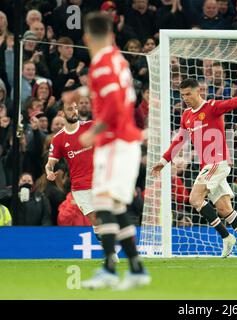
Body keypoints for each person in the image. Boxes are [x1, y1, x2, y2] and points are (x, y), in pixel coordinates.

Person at [63, 12, 150, 290]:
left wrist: (94, 132)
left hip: (113, 142)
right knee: (114, 205)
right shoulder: (117, 59)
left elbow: (112, 103)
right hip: (125, 141)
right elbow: (119, 93)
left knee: (102, 202)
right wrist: (82, 93)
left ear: (87, 38)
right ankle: (135, 269)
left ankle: (111, 270)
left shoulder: (100, 63)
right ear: (112, 36)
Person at [151, 78, 237, 264]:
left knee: (194, 199)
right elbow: (178, 141)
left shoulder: (212, 107)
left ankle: (226, 237)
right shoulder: (187, 116)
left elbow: (230, 103)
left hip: (217, 162)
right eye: (182, 95)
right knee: (224, 209)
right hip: (207, 165)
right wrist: (164, 161)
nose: (186, 98)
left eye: (189, 94)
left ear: (199, 91)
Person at [46, 101, 120, 259]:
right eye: (69, 109)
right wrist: (49, 171)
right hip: (79, 186)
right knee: (95, 219)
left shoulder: (90, 126)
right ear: (61, 113)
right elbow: (50, 162)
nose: (74, 111)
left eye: (75, 108)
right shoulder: (58, 139)